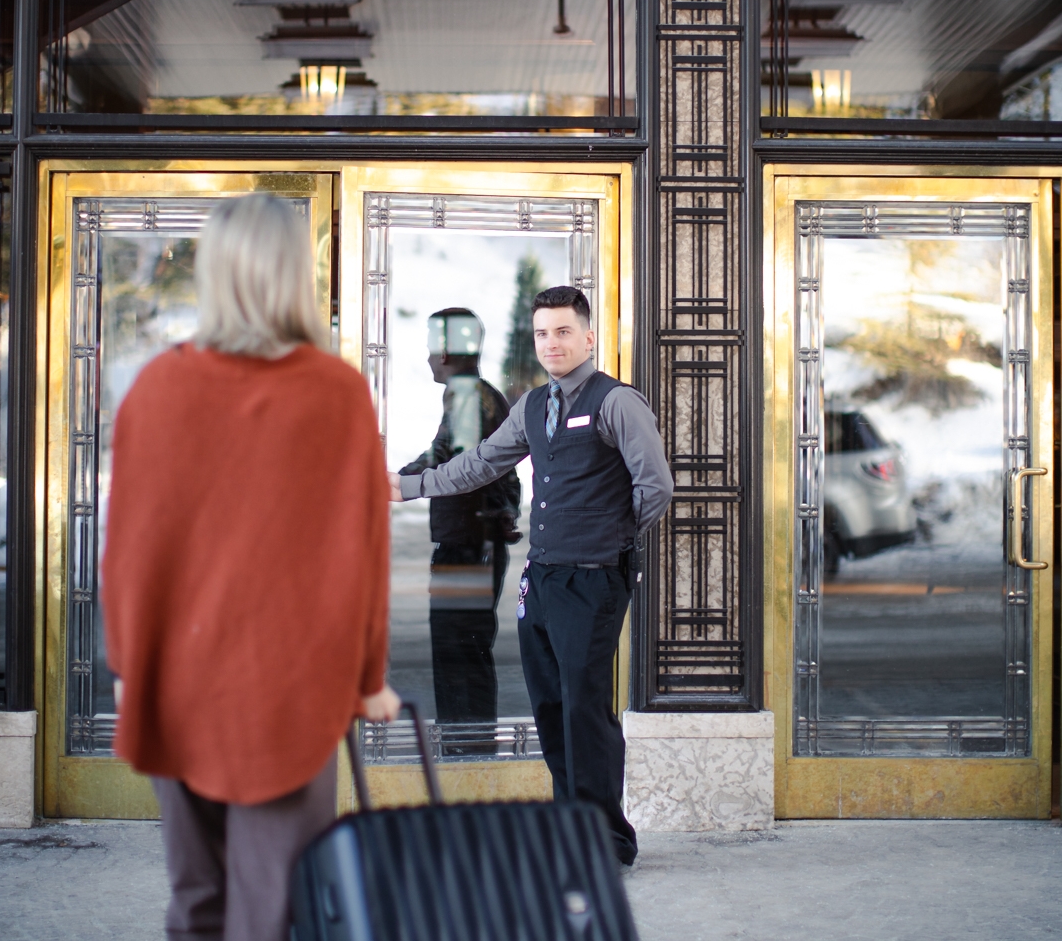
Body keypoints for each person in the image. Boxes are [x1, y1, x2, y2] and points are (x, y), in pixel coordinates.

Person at [102, 194, 400, 941]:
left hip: (177, 679)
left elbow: (128, 553)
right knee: (274, 909)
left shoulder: (157, 391)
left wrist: (128, 664)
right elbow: (362, 554)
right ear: (295, 275)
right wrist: (367, 680)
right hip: (290, 689)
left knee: (196, 900)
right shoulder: (337, 394)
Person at [389, 285, 673, 866]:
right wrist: (405, 486)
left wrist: (613, 541)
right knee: (549, 706)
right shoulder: (532, 405)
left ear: (588, 337)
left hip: (594, 579)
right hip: (540, 578)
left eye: (564, 331)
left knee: (584, 707)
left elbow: (656, 489)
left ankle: (608, 839)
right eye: (543, 333)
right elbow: (478, 463)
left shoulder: (618, 402)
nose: (552, 343)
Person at [398, 309, 521, 752]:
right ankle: (469, 746)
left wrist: (393, 483)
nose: (429, 357)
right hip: (476, 540)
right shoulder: (476, 394)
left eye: (433, 346)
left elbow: (456, 462)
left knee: (459, 649)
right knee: (466, 646)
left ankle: (466, 750)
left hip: (469, 544)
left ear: (446, 351)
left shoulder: (468, 395)